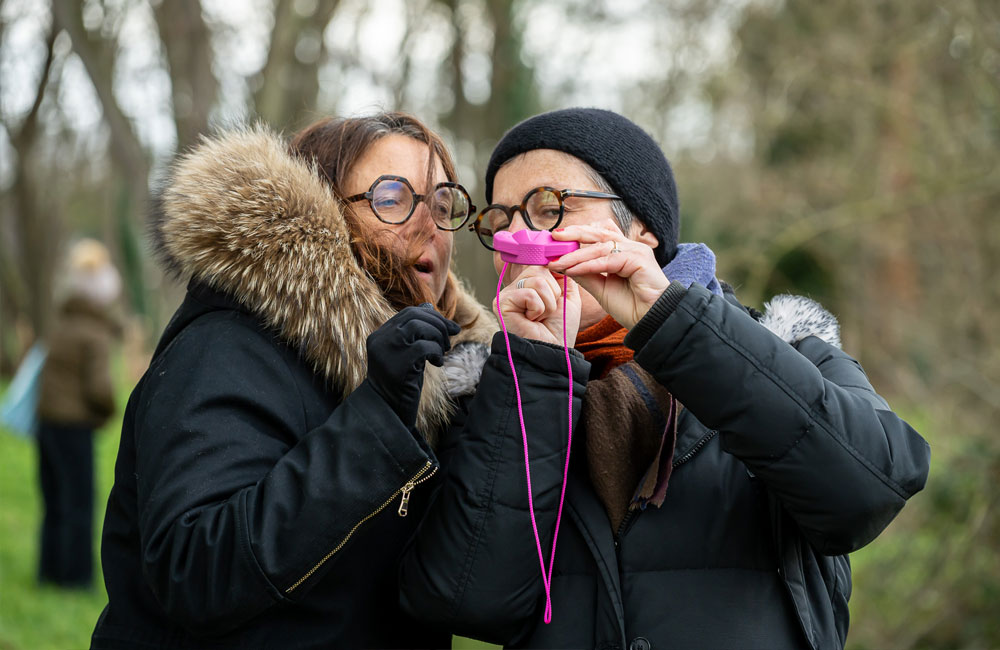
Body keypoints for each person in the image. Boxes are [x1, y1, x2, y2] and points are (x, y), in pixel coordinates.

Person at [399, 108, 931, 649]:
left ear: (642, 231)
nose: (516, 237)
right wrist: (533, 372)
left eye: (550, 207)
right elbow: (465, 601)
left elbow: (871, 491)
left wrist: (673, 323)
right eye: (500, 221)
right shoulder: (487, 396)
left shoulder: (787, 349)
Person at [90, 113, 501, 648]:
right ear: (322, 215)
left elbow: (468, 589)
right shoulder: (224, 346)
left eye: (443, 205)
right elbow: (195, 569)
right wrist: (375, 423)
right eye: (392, 197)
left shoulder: (444, 371)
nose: (430, 225)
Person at [36, 238, 121, 589]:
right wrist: (113, 409)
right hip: (74, 428)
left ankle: (49, 572)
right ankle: (76, 579)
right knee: (80, 504)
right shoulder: (94, 334)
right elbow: (99, 388)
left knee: (55, 501)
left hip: (47, 424)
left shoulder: (61, 325)